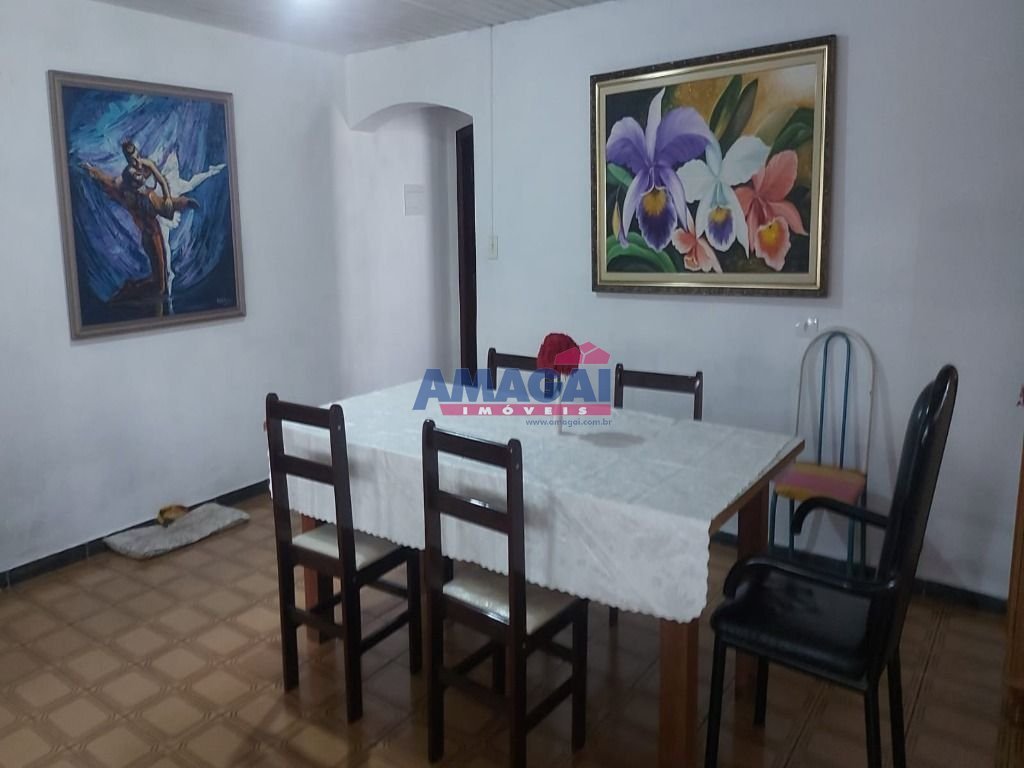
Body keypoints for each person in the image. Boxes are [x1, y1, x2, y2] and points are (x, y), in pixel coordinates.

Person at [81, 139, 198, 301]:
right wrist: (185, 203)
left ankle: (129, 291)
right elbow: (165, 207)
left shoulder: (129, 192)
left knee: (160, 282)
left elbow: (106, 181)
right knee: (160, 286)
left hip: (150, 235)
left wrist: (91, 170)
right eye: (136, 176)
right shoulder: (144, 196)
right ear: (132, 183)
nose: (140, 173)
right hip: (152, 236)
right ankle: (127, 292)